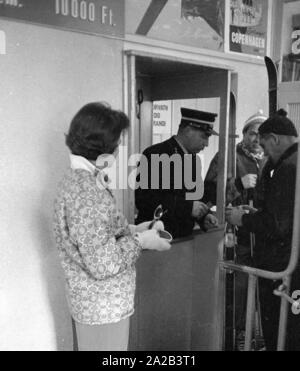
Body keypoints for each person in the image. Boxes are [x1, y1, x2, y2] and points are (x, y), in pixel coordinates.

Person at [53, 102, 170, 351]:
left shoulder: (77, 180)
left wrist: (136, 229)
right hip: (103, 309)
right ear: (106, 148)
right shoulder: (87, 192)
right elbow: (103, 264)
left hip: (95, 305)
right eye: (117, 143)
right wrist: (142, 241)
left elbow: (98, 233)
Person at [225, 109, 300, 351]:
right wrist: (257, 214)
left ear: (275, 139)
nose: (262, 148)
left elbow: (277, 225)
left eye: (264, 142)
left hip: (281, 263)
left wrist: (243, 220)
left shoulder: (288, 167)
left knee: (280, 329)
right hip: (291, 258)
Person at [203, 110, 267, 348]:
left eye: (262, 134)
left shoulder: (271, 159)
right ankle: (238, 334)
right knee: (239, 287)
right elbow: (209, 194)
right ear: (243, 134)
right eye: (253, 133)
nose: (257, 139)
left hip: (263, 235)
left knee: (263, 286)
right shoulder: (228, 156)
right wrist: (238, 184)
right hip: (236, 236)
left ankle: (258, 334)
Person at [135, 107, 219, 239]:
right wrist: (188, 208)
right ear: (188, 130)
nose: (207, 143)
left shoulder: (192, 159)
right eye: (204, 136)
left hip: (183, 239)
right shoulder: (155, 154)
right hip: (156, 238)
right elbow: (145, 200)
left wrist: (204, 216)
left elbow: (192, 198)